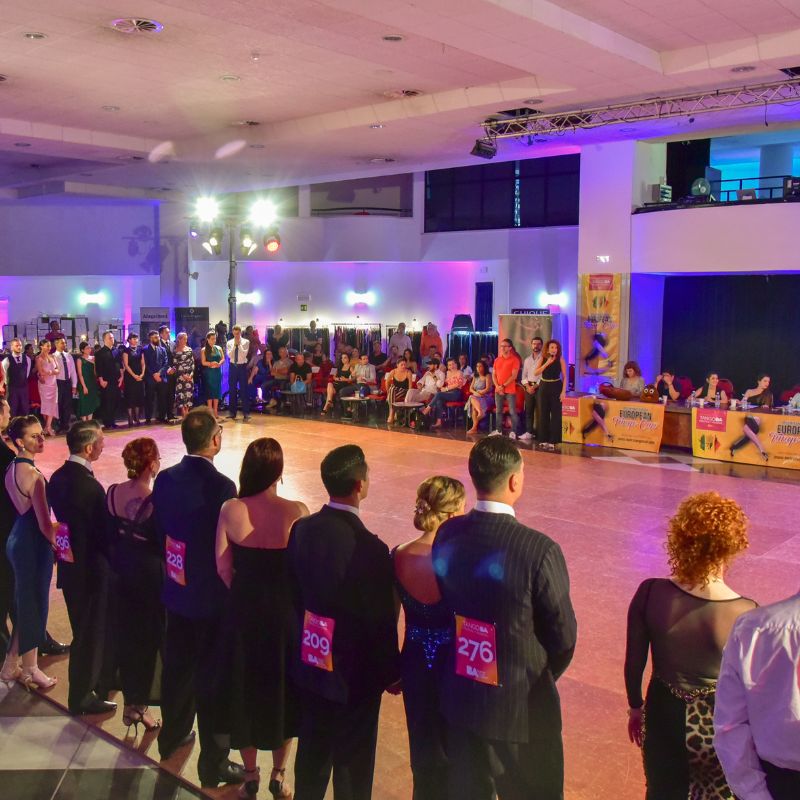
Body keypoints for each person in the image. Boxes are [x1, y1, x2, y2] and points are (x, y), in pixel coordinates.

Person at [432, 436, 577, 799]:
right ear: (514, 481)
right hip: (522, 711)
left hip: (463, 699)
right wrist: (536, 675)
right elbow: (563, 636)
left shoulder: (448, 533)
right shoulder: (539, 550)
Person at [625, 491, 755, 800]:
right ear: (731, 547)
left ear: (682, 539)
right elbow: (753, 689)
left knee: (662, 791)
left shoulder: (650, 593)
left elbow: (634, 664)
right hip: (717, 726)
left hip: (663, 716)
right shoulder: (746, 612)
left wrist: (636, 708)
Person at [287, 444, 399, 800]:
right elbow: (380, 620)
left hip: (311, 661)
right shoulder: (371, 548)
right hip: (355, 674)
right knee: (353, 762)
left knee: (312, 753)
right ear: (359, 485)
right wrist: (391, 672)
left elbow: (293, 592)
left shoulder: (302, 529)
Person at [153, 408, 243, 788]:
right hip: (210, 597)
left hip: (176, 589)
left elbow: (160, 529)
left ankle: (172, 736)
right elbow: (227, 548)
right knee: (213, 679)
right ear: (215, 440)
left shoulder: (165, 478)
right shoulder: (222, 487)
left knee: (177, 668)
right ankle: (214, 762)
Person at [216, 439, 309, 799]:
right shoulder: (297, 510)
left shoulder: (231, 509)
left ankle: (251, 774)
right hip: (284, 615)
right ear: (278, 472)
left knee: (245, 691)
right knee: (282, 690)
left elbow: (222, 567)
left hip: (243, 613)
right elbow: (303, 570)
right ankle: (279, 774)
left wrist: (246, 593)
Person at [393, 476, 466, 799]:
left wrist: (392, 669)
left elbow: (389, 618)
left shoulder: (398, 554)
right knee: (460, 752)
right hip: (456, 666)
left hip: (414, 663)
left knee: (422, 749)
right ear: (451, 514)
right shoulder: (462, 560)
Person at [48, 420, 116, 715]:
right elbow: (104, 535)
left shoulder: (57, 477)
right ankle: (82, 696)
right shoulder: (90, 488)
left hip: (70, 565)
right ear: (89, 448)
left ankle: (98, 680)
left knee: (83, 628)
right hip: (91, 570)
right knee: (89, 634)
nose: (103, 445)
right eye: (100, 441)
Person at [714, 592, 800, 800]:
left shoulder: (754, 627)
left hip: (780, 784)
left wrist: (755, 794)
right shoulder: (753, 628)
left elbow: (730, 726)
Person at [107, 437, 164, 735]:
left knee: (127, 638)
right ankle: (139, 706)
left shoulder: (113, 492)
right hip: (148, 578)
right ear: (151, 464)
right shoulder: (155, 501)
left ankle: (132, 702)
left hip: (120, 574)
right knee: (147, 642)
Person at [1, 415, 59, 690]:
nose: (41, 439)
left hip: (17, 538)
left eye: (41, 434)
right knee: (34, 604)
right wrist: (58, 544)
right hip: (32, 543)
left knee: (26, 603)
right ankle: (31, 668)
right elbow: (44, 524)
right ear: (20, 441)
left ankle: (11, 664)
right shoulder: (34, 476)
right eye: (34, 436)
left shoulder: (11, 468)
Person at [534, 339, 568, 451]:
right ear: (548, 349)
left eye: (556, 348)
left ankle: (553, 440)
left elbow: (565, 376)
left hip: (556, 386)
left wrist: (563, 392)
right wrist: (547, 363)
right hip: (544, 386)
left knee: (555, 414)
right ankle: (543, 439)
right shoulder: (543, 358)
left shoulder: (561, 359)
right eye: (552, 347)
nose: (554, 349)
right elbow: (536, 372)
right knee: (543, 413)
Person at [490, 338, 522, 439]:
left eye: (505, 346)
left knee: (512, 411)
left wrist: (503, 386)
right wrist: (497, 386)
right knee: (498, 411)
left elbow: (514, 376)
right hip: (498, 389)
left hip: (509, 390)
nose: (503, 348)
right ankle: (498, 430)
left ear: (510, 348)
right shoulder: (497, 360)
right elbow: (494, 375)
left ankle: (513, 431)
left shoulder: (515, 360)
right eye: (501, 346)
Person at [422, 358, 465, 429]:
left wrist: (446, 389)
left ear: (456, 364)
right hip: (448, 392)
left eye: (453, 364)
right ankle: (438, 422)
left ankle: (427, 409)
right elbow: (441, 383)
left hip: (456, 393)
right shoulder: (448, 373)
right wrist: (434, 377)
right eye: (449, 365)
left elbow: (458, 384)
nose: (452, 366)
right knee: (439, 400)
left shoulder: (459, 372)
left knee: (439, 394)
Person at [95, 330, 122, 430]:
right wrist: (101, 380)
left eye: (113, 338)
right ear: (104, 340)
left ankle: (113, 421)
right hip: (106, 381)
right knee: (107, 402)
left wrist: (121, 377)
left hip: (116, 380)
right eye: (110, 338)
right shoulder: (100, 353)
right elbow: (98, 368)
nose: (112, 339)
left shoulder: (117, 351)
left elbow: (120, 365)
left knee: (115, 401)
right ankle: (107, 422)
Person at [520, 336, 544, 442]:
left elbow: (543, 376)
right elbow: (523, 376)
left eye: (538, 344)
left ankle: (540, 433)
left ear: (541, 345)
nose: (536, 346)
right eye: (534, 344)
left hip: (540, 387)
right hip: (528, 388)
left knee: (540, 411)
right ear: (531, 345)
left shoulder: (544, 359)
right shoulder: (527, 360)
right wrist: (528, 387)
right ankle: (529, 432)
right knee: (528, 411)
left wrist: (535, 386)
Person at [144, 330, 170, 424]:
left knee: (162, 398)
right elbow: (145, 364)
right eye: (155, 337)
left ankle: (162, 417)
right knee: (149, 399)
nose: (158, 339)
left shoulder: (162, 349)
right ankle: (148, 418)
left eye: (158, 337)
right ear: (150, 338)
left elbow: (166, 363)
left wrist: (159, 373)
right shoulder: (145, 349)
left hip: (161, 377)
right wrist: (154, 374)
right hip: (150, 378)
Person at [2, 339, 33, 417]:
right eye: (17, 345)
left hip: (24, 388)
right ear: (12, 347)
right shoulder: (6, 360)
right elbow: (4, 375)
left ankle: (23, 424)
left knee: (25, 410)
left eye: (20, 345)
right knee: (12, 410)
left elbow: (27, 373)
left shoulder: (27, 359)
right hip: (12, 389)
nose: (19, 347)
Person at [53, 337, 77, 435]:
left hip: (67, 382)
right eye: (62, 343)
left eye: (65, 343)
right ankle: (59, 425)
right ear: (56, 344)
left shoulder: (69, 356)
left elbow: (73, 371)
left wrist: (74, 385)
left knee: (67, 404)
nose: (64, 345)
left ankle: (66, 425)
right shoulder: (53, 356)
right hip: (57, 382)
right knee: (58, 404)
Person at [227, 325, 251, 422]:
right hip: (233, 366)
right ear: (233, 332)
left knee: (244, 389)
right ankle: (232, 412)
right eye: (235, 333)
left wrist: (239, 345)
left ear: (240, 332)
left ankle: (246, 412)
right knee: (232, 389)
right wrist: (234, 345)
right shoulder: (229, 342)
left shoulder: (246, 342)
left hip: (242, 366)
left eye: (238, 333)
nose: (236, 335)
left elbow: (244, 354)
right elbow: (230, 355)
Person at [36, 339, 59, 437]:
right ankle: (48, 427)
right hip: (44, 384)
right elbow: (41, 372)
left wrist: (50, 372)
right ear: (41, 346)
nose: (49, 348)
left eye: (50, 345)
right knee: (46, 405)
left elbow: (58, 370)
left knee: (53, 404)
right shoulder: (39, 358)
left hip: (53, 383)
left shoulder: (53, 356)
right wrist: (52, 372)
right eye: (47, 346)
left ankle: (48, 427)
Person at [122, 332, 146, 427]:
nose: (136, 340)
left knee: (138, 397)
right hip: (130, 377)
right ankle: (130, 418)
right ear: (129, 340)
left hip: (139, 376)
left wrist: (142, 374)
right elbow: (126, 365)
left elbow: (143, 363)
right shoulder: (126, 351)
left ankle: (137, 417)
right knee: (130, 397)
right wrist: (134, 375)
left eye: (136, 338)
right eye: (134, 338)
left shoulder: (140, 349)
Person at [200, 330, 224, 421]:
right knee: (210, 391)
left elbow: (223, 358)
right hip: (209, 373)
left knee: (217, 391)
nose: (214, 340)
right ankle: (210, 411)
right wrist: (211, 363)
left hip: (217, 372)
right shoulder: (204, 350)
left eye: (215, 339)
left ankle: (215, 411)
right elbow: (203, 362)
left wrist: (219, 363)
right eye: (212, 339)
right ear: (208, 339)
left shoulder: (219, 348)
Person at [75, 342, 100, 422]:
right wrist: (84, 386)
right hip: (84, 383)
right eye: (87, 348)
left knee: (91, 402)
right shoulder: (79, 360)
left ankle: (89, 422)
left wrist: (95, 363)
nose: (89, 350)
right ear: (82, 350)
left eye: (90, 348)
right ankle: (84, 423)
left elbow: (96, 373)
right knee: (84, 403)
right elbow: (80, 374)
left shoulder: (93, 358)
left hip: (92, 382)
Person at [467, 360, 493, 435]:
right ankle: (480, 413)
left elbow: (487, 388)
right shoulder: (475, 376)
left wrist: (480, 393)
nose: (478, 368)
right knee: (472, 400)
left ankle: (474, 428)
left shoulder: (488, 375)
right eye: (477, 366)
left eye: (480, 366)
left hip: (486, 396)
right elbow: (470, 389)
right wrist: (476, 393)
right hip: (477, 396)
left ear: (484, 367)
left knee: (472, 399)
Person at [173, 331, 195, 418]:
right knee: (181, 394)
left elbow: (192, 363)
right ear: (179, 339)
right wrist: (183, 375)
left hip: (189, 376)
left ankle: (187, 411)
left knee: (189, 393)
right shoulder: (175, 351)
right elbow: (176, 364)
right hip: (180, 376)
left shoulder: (189, 349)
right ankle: (183, 412)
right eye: (184, 339)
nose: (186, 340)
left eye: (186, 339)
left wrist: (191, 374)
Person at [386, 358, 414, 425]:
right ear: (397, 365)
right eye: (402, 365)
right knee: (392, 389)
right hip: (395, 390)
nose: (404, 366)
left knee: (391, 396)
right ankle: (393, 413)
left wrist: (408, 396)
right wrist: (388, 393)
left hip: (404, 390)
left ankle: (391, 414)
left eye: (405, 364)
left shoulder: (408, 372)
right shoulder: (393, 371)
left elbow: (410, 387)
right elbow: (387, 382)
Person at [158, 325, 177, 421]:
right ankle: (162, 415)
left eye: (169, 332)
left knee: (171, 394)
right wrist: (167, 369)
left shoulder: (173, 344)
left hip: (173, 373)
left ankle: (171, 414)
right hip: (164, 373)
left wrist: (174, 368)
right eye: (166, 332)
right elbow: (159, 360)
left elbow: (175, 358)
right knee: (163, 395)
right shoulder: (158, 344)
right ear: (161, 334)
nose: (168, 334)